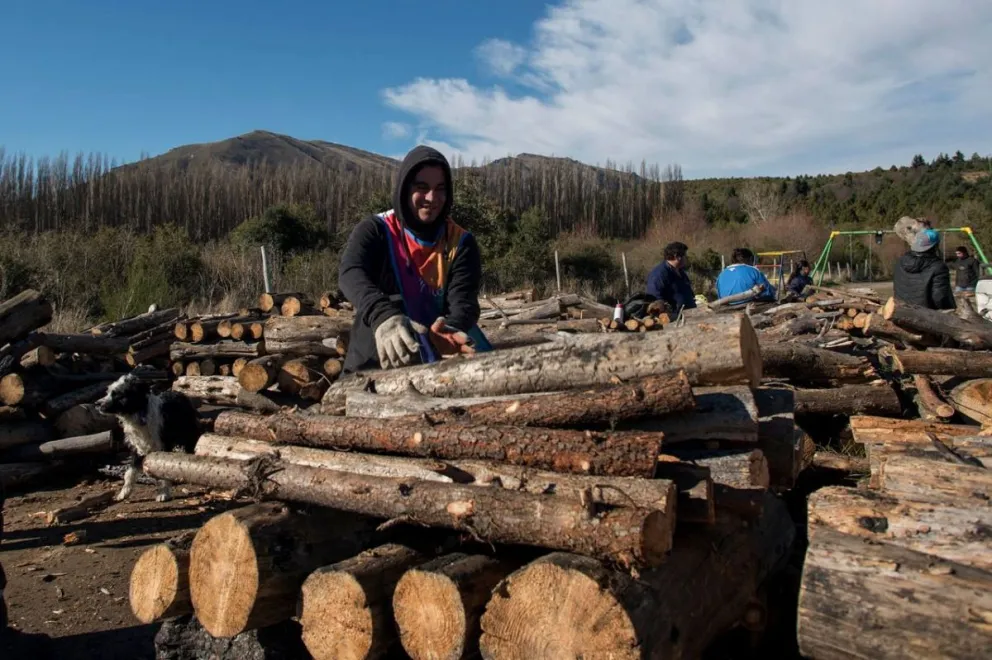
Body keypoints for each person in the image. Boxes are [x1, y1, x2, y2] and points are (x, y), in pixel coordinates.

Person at [337, 145, 492, 372]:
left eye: (440, 189)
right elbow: (350, 272)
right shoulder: (376, 230)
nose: (432, 198)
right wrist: (382, 315)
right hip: (381, 347)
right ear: (405, 189)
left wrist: (451, 329)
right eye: (422, 187)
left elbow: (463, 302)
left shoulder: (461, 242)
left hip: (444, 357)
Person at [893, 228, 955, 310]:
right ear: (935, 246)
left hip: (902, 311)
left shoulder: (901, 261)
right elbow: (940, 297)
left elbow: (897, 289)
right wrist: (950, 310)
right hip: (927, 315)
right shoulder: (938, 267)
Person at [646, 241, 696, 314]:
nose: (686, 258)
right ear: (677, 256)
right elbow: (654, 299)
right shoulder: (659, 274)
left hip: (691, 314)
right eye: (685, 255)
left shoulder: (681, 272)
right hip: (674, 318)